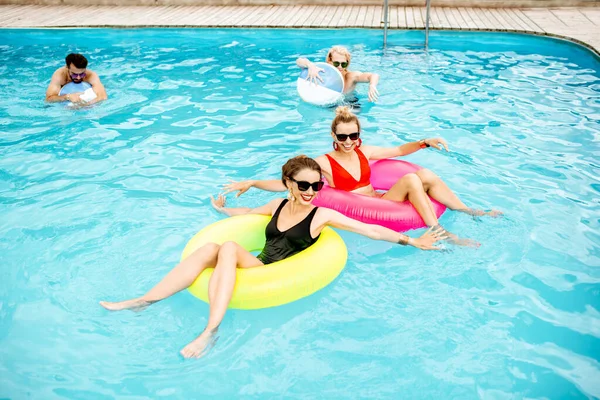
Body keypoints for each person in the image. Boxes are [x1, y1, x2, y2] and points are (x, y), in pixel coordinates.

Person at [100, 156, 445, 359]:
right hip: (261, 264)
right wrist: (221, 210)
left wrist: (412, 242)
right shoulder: (278, 205)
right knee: (210, 248)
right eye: (304, 185)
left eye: (316, 186)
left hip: (278, 272)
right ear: (288, 183)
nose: (311, 192)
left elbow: (369, 230)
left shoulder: (321, 214)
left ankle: (210, 330)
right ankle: (144, 300)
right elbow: (249, 213)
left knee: (229, 248)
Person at [224, 107, 502, 246]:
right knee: (411, 180)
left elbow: (399, 150)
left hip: (382, 199)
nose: (348, 141)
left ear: (359, 136)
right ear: (334, 136)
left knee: (424, 174)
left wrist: (424, 142)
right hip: (362, 208)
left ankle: (468, 211)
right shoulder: (324, 163)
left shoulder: (365, 152)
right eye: (342, 136)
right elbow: (291, 183)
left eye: (353, 135)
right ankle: (440, 231)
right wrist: (253, 182)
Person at [297, 45, 380, 102]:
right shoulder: (322, 71)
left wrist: (372, 85)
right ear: (329, 61)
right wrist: (310, 65)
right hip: (328, 104)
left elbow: (373, 75)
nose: (340, 67)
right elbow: (299, 61)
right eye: (336, 63)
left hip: (350, 103)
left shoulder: (350, 77)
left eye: (344, 64)